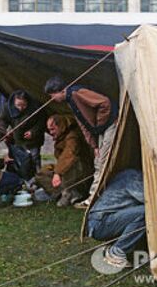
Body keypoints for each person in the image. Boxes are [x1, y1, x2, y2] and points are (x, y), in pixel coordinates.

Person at [44, 76, 118, 209]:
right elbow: (83, 124)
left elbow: (104, 102)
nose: (52, 99)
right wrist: (94, 145)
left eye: (52, 95)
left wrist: (99, 122)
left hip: (110, 123)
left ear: (59, 91)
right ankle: (96, 195)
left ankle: (93, 198)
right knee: (98, 161)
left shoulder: (77, 93)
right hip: (101, 129)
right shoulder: (70, 101)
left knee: (102, 161)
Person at [86, 169, 145, 271]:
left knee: (140, 212)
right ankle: (116, 253)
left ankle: (113, 247)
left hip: (99, 221)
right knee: (145, 212)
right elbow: (148, 200)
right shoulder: (133, 177)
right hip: (102, 223)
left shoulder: (127, 173)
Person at [35, 115, 94, 207]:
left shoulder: (73, 136)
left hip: (81, 173)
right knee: (42, 173)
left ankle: (74, 192)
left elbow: (69, 154)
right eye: (49, 130)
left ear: (60, 126)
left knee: (71, 164)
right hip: (67, 172)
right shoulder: (61, 135)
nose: (51, 133)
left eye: (53, 129)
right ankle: (64, 194)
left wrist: (58, 173)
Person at [0, 90, 46, 183]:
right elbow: (2, 121)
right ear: (14, 102)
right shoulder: (7, 108)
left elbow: (42, 122)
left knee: (34, 158)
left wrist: (33, 132)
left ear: (27, 102)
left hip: (33, 140)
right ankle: (19, 179)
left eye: (24, 105)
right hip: (16, 138)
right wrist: (4, 132)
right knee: (18, 159)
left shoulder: (35, 107)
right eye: (18, 105)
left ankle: (38, 179)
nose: (21, 108)